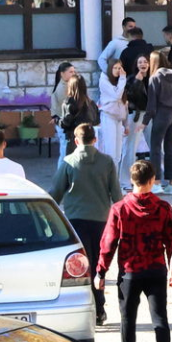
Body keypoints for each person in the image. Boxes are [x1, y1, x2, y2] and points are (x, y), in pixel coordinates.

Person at [97, 160, 172, 342]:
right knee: (160, 318)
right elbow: (171, 239)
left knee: (128, 319)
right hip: (156, 269)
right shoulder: (163, 208)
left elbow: (108, 243)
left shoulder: (119, 209)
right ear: (152, 181)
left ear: (132, 181)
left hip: (130, 272)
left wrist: (101, 271)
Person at [48, 123, 120, 327]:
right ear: (95, 140)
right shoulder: (107, 162)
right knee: (99, 266)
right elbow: (116, 195)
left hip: (76, 221)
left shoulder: (68, 162)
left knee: (80, 268)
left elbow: (55, 193)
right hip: (101, 221)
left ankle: (83, 308)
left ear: (76, 140)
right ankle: (100, 309)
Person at [144, 50, 172, 194]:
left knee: (155, 148)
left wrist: (145, 121)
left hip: (162, 114)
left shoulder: (155, 77)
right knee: (170, 148)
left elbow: (151, 104)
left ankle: (156, 182)